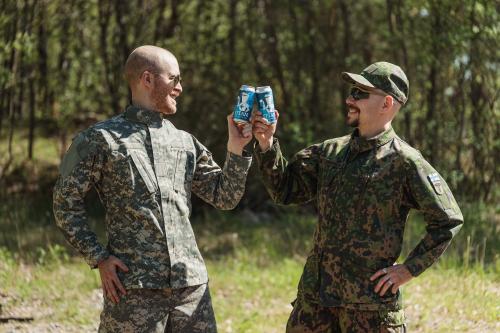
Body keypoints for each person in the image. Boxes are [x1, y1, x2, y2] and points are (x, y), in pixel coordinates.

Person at [53, 45, 253, 333]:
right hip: (134, 291)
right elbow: (64, 202)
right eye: (174, 79)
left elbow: (225, 197)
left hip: (191, 288)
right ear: (147, 79)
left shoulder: (185, 142)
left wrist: (236, 149)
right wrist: (98, 256)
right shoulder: (100, 140)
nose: (180, 88)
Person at [252, 62, 463, 332]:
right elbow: (284, 190)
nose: (349, 99)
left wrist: (409, 269)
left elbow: (448, 220)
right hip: (315, 304)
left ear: (387, 103)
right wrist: (267, 144)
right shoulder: (329, 152)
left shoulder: (405, 162)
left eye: (360, 93)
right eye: (352, 91)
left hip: (370, 311)